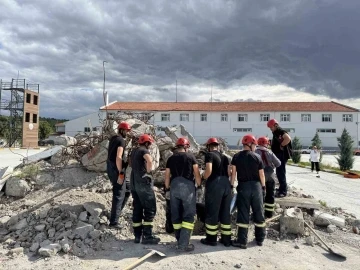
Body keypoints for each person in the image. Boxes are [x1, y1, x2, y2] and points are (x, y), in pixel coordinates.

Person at [164, 137, 201, 252]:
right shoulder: (191, 157)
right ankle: (184, 244)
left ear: (177, 147)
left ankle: (179, 239)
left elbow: (167, 175)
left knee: (176, 214)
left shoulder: (171, 158)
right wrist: (199, 184)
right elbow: (196, 172)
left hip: (174, 187)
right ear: (186, 147)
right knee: (189, 215)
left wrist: (167, 188)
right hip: (187, 187)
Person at [231, 134, 266, 249]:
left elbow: (233, 173)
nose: (255, 147)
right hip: (256, 187)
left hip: (243, 187)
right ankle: (260, 239)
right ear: (250, 144)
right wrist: (263, 187)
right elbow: (261, 174)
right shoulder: (257, 157)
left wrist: (232, 185)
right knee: (258, 212)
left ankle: (242, 241)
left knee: (243, 213)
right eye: (255, 145)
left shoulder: (236, 157)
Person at [200, 137, 232, 247]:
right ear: (218, 146)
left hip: (215, 184)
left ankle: (211, 239)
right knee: (225, 212)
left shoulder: (209, 155)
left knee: (212, 211)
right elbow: (229, 172)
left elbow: (208, 170)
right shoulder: (225, 157)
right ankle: (226, 239)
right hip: (226, 184)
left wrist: (203, 177)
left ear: (208, 147)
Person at [129, 134, 160, 244]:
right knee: (150, 208)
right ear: (147, 143)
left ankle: (138, 236)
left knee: (137, 207)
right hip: (143, 183)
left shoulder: (134, 151)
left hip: (134, 182)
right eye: (149, 144)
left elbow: (131, 164)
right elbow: (150, 161)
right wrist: (148, 172)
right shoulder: (144, 151)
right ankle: (148, 236)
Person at [106, 121, 132, 229]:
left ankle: (115, 214)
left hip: (110, 167)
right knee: (119, 193)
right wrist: (121, 172)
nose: (127, 133)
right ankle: (113, 222)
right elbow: (118, 157)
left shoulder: (113, 138)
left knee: (127, 190)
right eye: (126, 130)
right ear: (122, 130)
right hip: (116, 169)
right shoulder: (121, 140)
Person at [255, 136, 281, 218]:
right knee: (270, 194)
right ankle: (269, 213)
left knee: (260, 195)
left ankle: (260, 213)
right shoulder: (270, 152)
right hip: (271, 175)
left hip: (259, 176)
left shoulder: (255, 152)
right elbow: (278, 163)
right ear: (266, 143)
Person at [267, 119, 292, 198]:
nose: (270, 128)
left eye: (271, 127)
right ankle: (281, 188)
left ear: (275, 125)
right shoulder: (276, 132)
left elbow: (287, 138)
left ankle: (283, 191)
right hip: (279, 154)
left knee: (281, 172)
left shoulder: (280, 131)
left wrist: (281, 145)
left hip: (282, 154)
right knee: (279, 172)